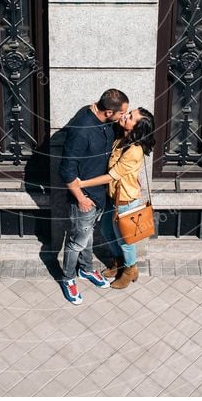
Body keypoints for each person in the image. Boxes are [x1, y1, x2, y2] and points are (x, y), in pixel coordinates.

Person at [59, 88, 129, 305]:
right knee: (76, 242)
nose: (123, 117)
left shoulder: (103, 119)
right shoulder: (82, 130)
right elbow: (66, 170)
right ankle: (68, 278)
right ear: (108, 112)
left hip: (100, 195)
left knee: (87, 235)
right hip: (86, 198)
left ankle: (86, 270)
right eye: (121, 113)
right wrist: (81, 198)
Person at [77, 107, 155, 290]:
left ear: (137, 128)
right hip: (113, 198)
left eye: (130, 116)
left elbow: (113, 175)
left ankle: (130, 271)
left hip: (125, 202)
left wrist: (82, 184)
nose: (125, 116)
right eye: (128, 112)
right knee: (106, 230)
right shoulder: (122, 137)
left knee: (125, 241)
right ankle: (118, 263)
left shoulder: (134, 150)